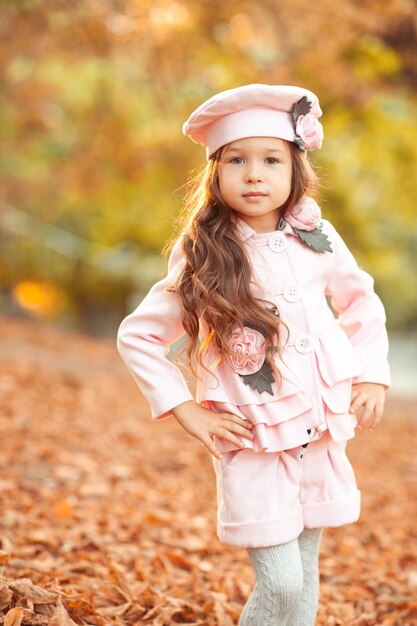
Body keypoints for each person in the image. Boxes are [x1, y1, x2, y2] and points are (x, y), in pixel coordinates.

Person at [116, 84, 391, 625]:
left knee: (306, 573)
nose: (254, 174)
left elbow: (362, 302)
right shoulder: (205, 253)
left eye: (271, 159)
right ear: (216, 173)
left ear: (295, 170)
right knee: (282, 584)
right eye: (237, 160)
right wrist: (185, 409)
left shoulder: (320, 238)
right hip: (254, 436)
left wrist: (373, 376)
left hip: (321, 427)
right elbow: (138, 336)